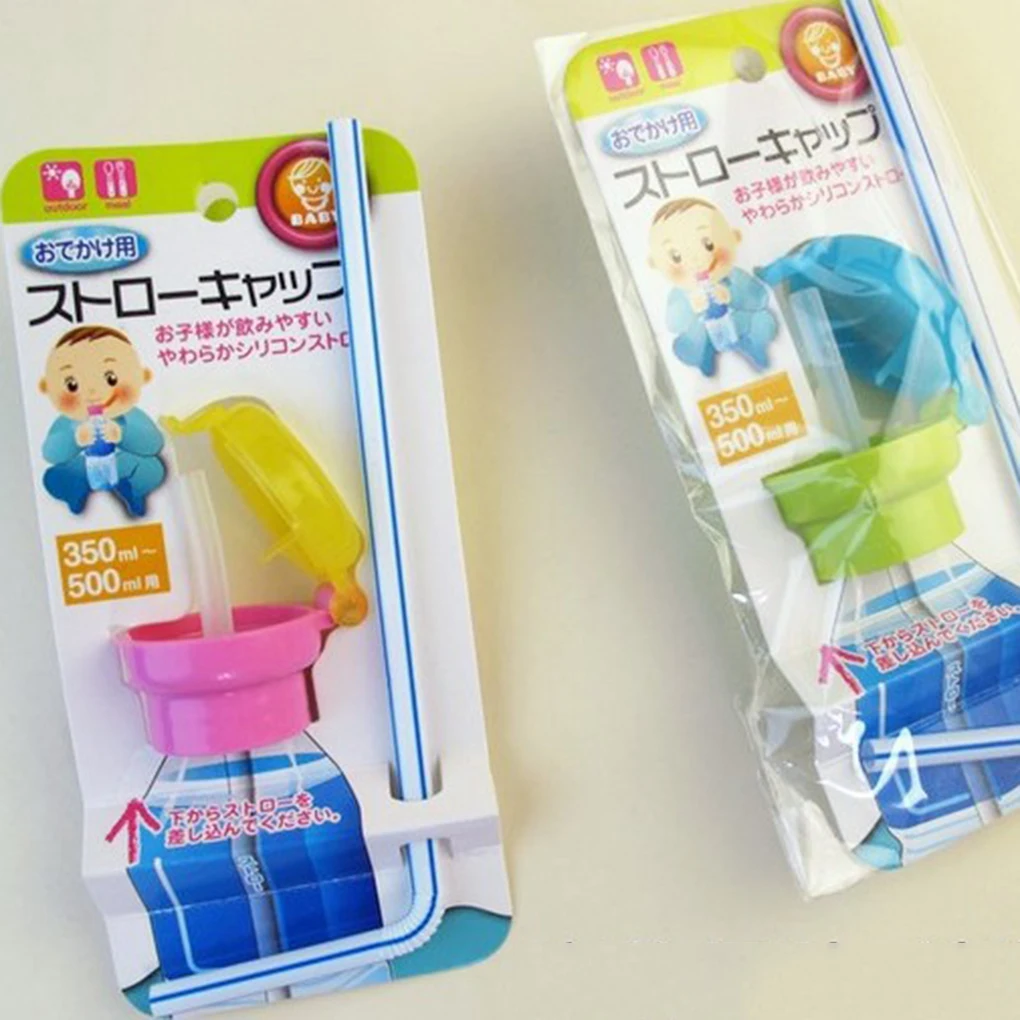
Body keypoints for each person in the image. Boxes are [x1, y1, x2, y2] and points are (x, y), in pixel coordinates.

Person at [39, 324, 166, 517]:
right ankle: (75, 492)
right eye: (72, 385)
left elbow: (153, 444)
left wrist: (123, 434)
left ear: (142, 376)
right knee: (53, 477)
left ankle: (133, 491)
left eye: (111, 378)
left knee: (152, 468)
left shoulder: (129, 415)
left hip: (122, 464)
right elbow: (51, 453)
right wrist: (74, 440)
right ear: (46, 387)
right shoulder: (68, 421)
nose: (92, 392)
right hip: (83, 467)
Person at [648, 197, 778, 377]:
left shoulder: (734, 276)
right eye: (676, 256)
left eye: (708, 245)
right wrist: (690, 307)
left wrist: (731, 294)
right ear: (655, 264)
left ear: (734, 237)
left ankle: (754, 346)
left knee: (763, 321)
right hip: (703, 332)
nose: (696, 260)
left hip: (739, 322)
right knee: (685, 345)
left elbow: (760, 298)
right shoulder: (679, 293)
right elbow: (673, 324)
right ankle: (704, 358)